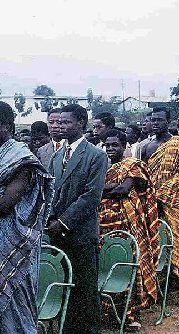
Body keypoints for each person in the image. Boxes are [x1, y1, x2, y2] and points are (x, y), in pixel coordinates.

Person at [0, 101, 54, 333]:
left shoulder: (20, 158)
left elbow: (5, 204)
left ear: (7, 126)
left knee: (13, 298)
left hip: (11, 240)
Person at [47, 104, 107, 333]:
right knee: (64, 284)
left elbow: (91, 196)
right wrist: (51, 219)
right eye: (58, 122)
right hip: (56, 232)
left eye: (66, 122)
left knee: (85, 288)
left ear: (81, 123)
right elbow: (52, 190)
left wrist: (62, 222)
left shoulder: (96, 155)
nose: (60, 126)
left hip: (80, 233)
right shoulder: (57, 155)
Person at [99, 130, 158, 330]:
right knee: (107, 264)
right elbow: (101, 189)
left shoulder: (133, 165)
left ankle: (131, 315)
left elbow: (123, 190)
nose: (110, 149)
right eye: (107, 145)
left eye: (115, 145)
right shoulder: (106, 167)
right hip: (104, 224)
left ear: (124, 146)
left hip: (127, 223)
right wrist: (108, 186)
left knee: (128, 264)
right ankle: (108, 313)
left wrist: (101, 188)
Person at [147, 112, 179, 309]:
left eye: (159, 120)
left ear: (170, 121)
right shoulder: (146, 146)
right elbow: (143, 176)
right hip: (151, 205)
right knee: (153, 246)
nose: (155, 123)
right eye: (153, 120)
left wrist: (160, 196)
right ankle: (153, 290)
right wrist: (150, 199)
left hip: (174, 204)